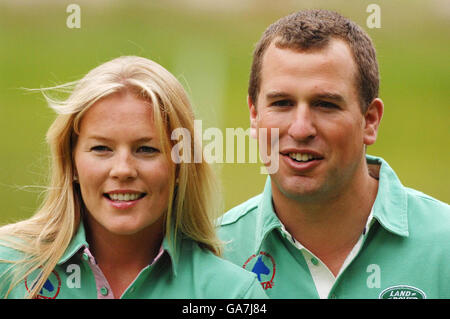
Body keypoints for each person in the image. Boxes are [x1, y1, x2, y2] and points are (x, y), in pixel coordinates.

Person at [218, 9, 450, 299]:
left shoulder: (444, 247)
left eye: (325, 104)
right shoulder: (214, 254)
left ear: (370, 120)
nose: (301, 129)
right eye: (282, 103)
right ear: (254, 115)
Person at [0, 56, 267, 299]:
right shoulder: (8, 267)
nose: (123, 170)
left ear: (180, 165)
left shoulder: (233, 294)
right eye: (101, 148)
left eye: (147, 149)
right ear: (71, 162)